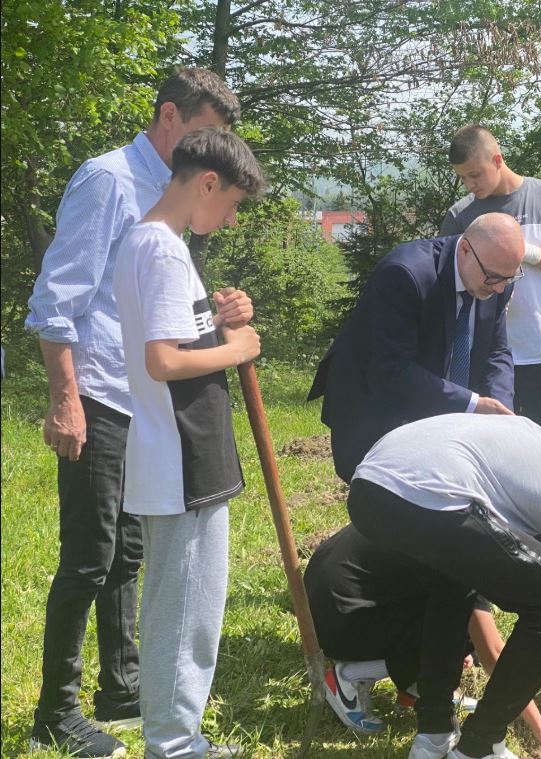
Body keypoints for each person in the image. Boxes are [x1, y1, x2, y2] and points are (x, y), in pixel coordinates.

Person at [25, 68, 243, 759]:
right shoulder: (110, 181)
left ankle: (122, 689)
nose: (213, 153)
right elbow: (57, 299)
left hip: (141, 401)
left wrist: (216, 317)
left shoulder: (170, 196)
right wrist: (65, 399)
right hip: (97, 392)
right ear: (169, 116)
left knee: (128, 553)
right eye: (206, 133)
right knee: (88, 556)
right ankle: (56, 711)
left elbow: (159, 309)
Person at [345, 415, 541, 759]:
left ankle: (434, 734)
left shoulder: (530, 437)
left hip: (368, 491)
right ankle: (480, 745)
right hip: (430, 496)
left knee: (453, 577)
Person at [112, 127, 264, 758]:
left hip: (173, 455)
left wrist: (219, 322)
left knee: (174, 606)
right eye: (231, 204)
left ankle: (174, 737)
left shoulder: (151, 242)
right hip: (183, 461)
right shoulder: (165, 251)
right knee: (185, 614)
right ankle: (174, 746)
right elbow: (164, 361)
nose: (229, 220)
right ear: (206, 183)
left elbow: (179, 337)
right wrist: (238, 349)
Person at [303, 524, 541, 755]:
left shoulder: (473, 520)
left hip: (321, 593)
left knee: (460, 632)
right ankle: (347, 677)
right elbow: (494, 655)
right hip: (339, 618)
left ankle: (415, 689)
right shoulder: (475, 558)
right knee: (458, 626)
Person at [308, 212, 524, 483]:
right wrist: (473, 404)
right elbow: (390, 370)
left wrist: (501, 411)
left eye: (509, 278)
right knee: (388, 498)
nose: (501, 288)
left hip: (439, 414)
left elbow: (496, 351)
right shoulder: (404, 273)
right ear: (465, 250)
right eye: (493, 277)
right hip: (377, 411)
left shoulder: (495, 277)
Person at [441, 125, 541, 441]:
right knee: (488, 445)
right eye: (463, 178)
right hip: (484, 353)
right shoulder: (460, 215)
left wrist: (530, 253)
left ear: (497, 160)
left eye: (475, 174)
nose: (470, 185)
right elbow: (448, 283)